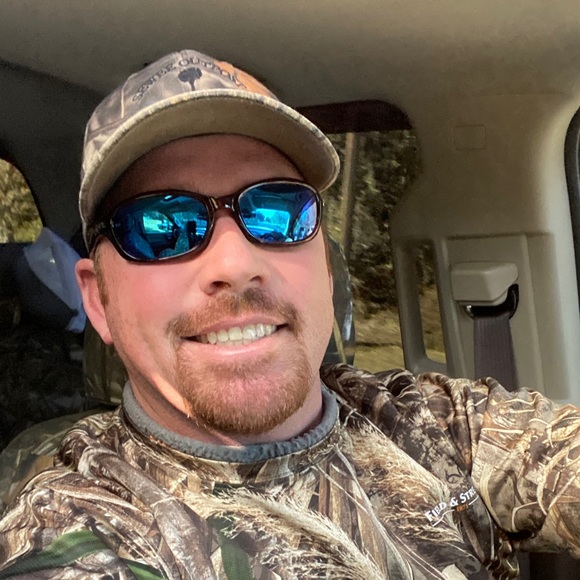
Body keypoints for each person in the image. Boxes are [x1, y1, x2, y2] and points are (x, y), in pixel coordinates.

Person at [0, 49, 579, 580]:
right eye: (161, 226)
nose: (236, 263)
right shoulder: (79, 529)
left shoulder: (437, 424)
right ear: (99, 301)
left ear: (325, 268)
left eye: (277, 210)